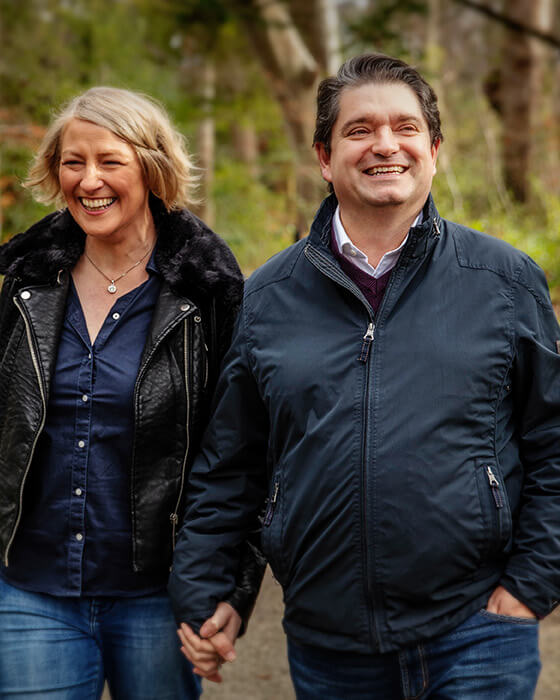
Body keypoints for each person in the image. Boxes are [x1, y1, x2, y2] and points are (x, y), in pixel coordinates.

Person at [171, 53, 560, 699]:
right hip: (331, 642)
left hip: (477, 630)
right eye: (360, 130)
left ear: (433, 149)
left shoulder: (505, 280)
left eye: (405, 128)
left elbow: (552, 442)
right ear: (324, 157)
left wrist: (530, 587)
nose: (385, 145)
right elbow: (230, 466)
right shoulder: (267, 296)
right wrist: (208, 590)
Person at [0, 86, 262, 699]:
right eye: (73, 162)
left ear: (151, 168)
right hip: (35, 592)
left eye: (110, 161)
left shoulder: (205, 290)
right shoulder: (31, 282)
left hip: (158, 594)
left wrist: (233, 589)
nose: (89, 180)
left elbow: (245, 454)